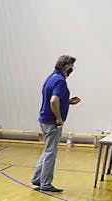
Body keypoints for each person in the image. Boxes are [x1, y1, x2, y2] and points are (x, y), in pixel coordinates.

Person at [31, 55, 80, 193]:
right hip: (52, 121)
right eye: (72, 66)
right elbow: (53, 101)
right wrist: (58, 118)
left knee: (48, 150)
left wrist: (67, 101)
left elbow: (53, 98)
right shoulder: (60, 80)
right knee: (51, 152)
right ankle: (46, 184)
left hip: (44, 119)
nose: (72, 69)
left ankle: (38, 179)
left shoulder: (51, 77)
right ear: (66, 66)